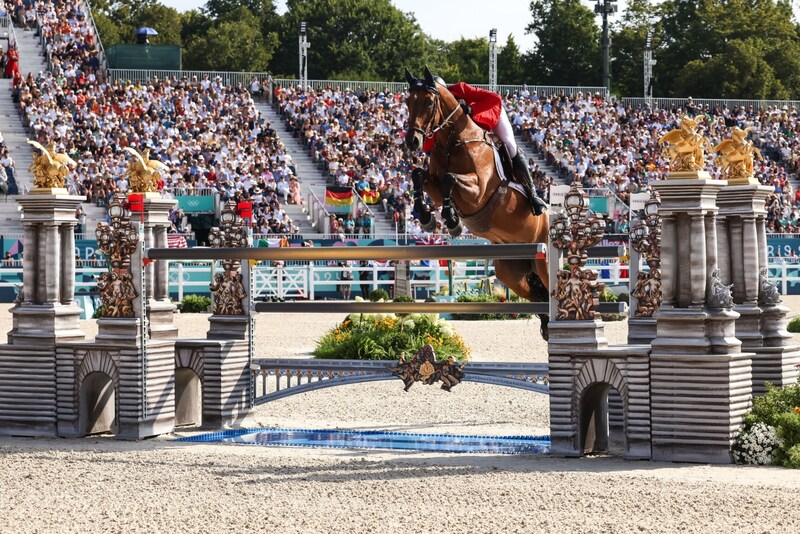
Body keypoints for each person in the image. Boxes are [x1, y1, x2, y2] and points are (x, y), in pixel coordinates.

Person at [421, 76, 548, 216]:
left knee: (510, 145)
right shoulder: (439, 111)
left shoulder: (460, 89)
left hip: (489, 115)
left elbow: (495, 99)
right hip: (470, 132)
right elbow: (427, 147)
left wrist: (470, 109)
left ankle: (533, 195)